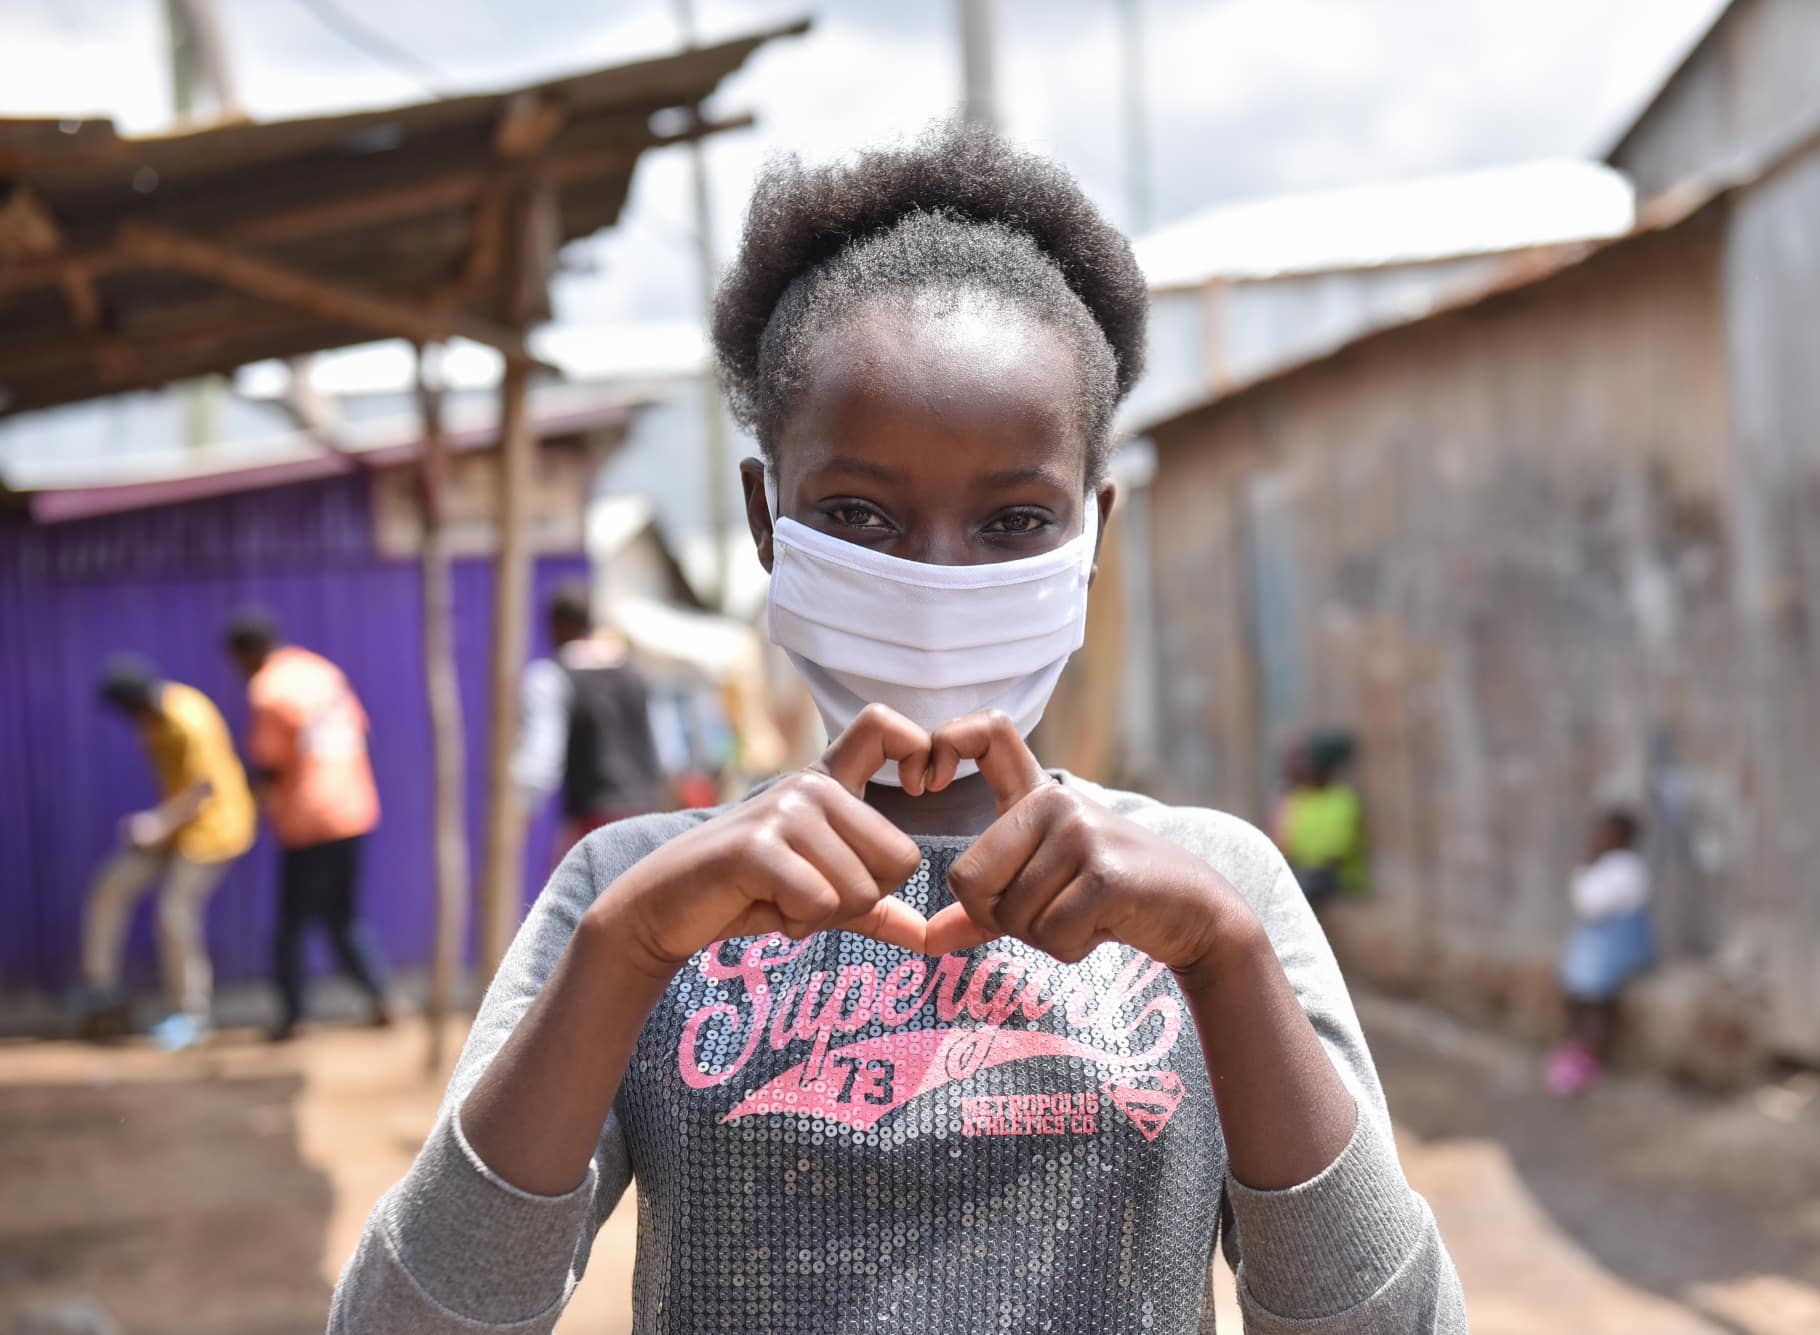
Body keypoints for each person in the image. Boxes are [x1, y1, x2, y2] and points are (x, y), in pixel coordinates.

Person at [331, 125, 1463, 1334]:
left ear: (1093, 532)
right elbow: (408, 1317)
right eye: (860, 513)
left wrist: (1225, 961)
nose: (933, 574)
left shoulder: (1209, 892)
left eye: (1014, 519)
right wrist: (625, 953)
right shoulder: (633, 896)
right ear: (768, 518)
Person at [226, 611, 397, 1041]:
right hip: (354, 810)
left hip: (309, 819)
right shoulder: (323, 673)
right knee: (343, 916)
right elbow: (364, 738)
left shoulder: (268, 689)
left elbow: (269, 768)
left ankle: (293, 1015)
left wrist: (237, 806)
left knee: (291, 925)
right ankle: (382, 997)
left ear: (248, 653)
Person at [79, 655, 256, 1051]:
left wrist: (157, 824)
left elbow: (204, 790)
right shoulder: (150, 721)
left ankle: (192, 1015)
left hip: (215, 831)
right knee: (111, 885)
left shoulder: (186, 717)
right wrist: (161, 827)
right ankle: (102, 989)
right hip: (177, 830)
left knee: (174, 914)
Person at [510, 584, 665, 855]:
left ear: (554, 627)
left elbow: (541, 762)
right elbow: (663, 749)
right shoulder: (635, 674)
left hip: (593, 830)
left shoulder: (551, 678)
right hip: (648, 826)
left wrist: (520, 812)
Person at [1545, 807, 1657, 1097]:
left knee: (1593, 998)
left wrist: (1586, 866)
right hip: (1599, 945)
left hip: (1614, 948)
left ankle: (1585, 1060)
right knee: (1580, 993)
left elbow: (1589, 905)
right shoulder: (1615, 867)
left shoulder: (1623, 868)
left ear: (1620, 837)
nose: (1596, 837)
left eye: (1603, 832)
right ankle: (1577, 1053)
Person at [1272, 732, 1368, 904]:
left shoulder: (1342, 799)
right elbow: (1283, 842)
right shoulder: (1296, 799)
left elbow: (1338, 850)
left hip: (1333, 878)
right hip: (1302, 871)